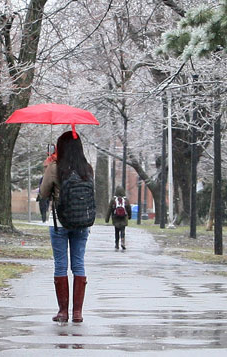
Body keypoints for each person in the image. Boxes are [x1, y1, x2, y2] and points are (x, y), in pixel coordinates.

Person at [39, 130, 94, 323]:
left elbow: (44, 193)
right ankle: (77, 313)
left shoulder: (55, 167)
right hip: (82, 221)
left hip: (60, 223)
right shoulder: (87, 168)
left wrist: (47, 168)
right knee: (78, 263)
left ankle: (63, 311)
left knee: (61, 265)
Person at [107, 186, 132, 250]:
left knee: (116, 231)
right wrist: (129, 216)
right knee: (123, 230)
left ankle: (116, 244)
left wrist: (107, 218)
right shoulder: (126, 200)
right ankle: (122, 242)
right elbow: (129, 209)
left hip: (116, 218)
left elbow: (109, 209)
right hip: (124, 217)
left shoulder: (113, 200)